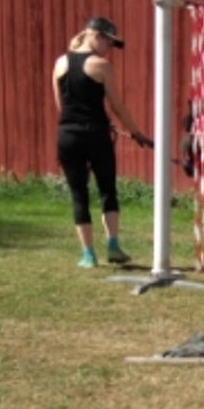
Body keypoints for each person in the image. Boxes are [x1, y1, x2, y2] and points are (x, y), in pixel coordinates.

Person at [52, 16, 152, 268]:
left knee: (79, 193)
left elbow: (61, 106)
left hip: (68, 135)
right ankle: (113, 245)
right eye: (109, 42)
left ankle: (88, 254)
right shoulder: (102, 66)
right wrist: (137, 133)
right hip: (96, 135)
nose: (109, 48)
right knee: (107, 190)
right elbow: (117, 106)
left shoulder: (60, 63)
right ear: (96, 36)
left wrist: (74, 125)